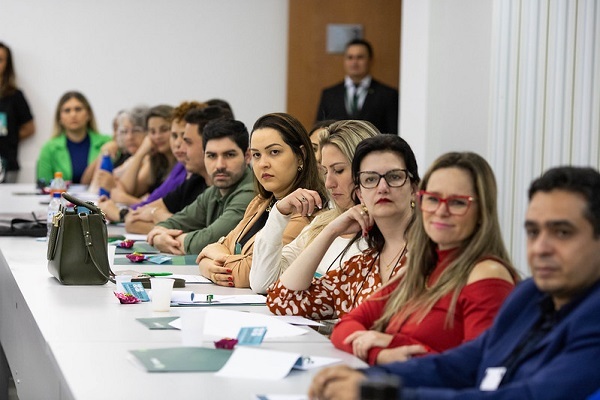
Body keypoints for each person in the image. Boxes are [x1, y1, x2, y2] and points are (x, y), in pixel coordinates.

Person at [309, 165, 600, 400]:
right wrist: (365, 377)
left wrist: (377, 391)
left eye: (562, 233)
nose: (541, 248)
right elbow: (461, 363)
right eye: (533, 232)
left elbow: (528, 395)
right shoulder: (529, 296)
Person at [330, 152, 518, 366]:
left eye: (457, 203)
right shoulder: (421, 268)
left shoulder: (487, 273)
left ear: (482, 212)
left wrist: (394, 344)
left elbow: (480, 369)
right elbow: (346, 325)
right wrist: (378, 354)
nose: (441, 211)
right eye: (432, 199)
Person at [267, 135, 419, 320]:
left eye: (394, 177)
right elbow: (282, 300)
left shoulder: (431, 254)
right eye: (370, 179)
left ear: (414, 189)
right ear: (360, 194)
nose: (382, 187)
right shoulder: (363, 266)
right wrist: (331, 230)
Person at [196, 112, 328, 287]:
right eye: (257, 155)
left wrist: (213, 258)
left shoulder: (307, 209)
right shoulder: (261, 202)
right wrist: (208, 265)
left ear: (300, 155)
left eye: (274, 152)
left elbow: (249, 273)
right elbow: (211, 251)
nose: (263, 163)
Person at [250, 120, 380, 294]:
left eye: (339, 170)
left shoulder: (387, 232)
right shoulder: (321, 223)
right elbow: (263, 283)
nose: (328, 183)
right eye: (325, 171)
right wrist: (279, 213)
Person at [147, 118, 255, 254]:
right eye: (212, 156)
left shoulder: (251, 192)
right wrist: (158, 235)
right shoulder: (214, 191)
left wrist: (167, 239)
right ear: (204, 156)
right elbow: (173, 222)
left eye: (229, 155)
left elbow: (208, 240)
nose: (220, 165)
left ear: (247, 156)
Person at [123, 101, 210, 233]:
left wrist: (156, 216)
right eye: (174, 136)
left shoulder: (191, 174)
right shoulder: (181, 171)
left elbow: (200, 233)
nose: (179, 144)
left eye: (186, 139)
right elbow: (133, 218)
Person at [316, 39, 399, 135]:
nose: (354, 62)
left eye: (360, 57)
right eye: (350, 57)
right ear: (344, 61)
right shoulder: (329, 94)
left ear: (370, 60)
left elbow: (392, 133)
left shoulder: (387, 95)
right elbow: (320, 130)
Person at [37, 91, 111, 184]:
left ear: (88, 114)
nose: (73, 115)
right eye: (67, 110)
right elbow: (44, 185)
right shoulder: (49, 148)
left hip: (98, 198)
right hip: (61, 197)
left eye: (78, 109)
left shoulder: (107, 143)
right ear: (60, 118)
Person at [0, 42, 35, 183]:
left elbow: (29, 128)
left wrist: (10, 137)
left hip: (7, 164)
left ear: (7, 65)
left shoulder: (15, 96)